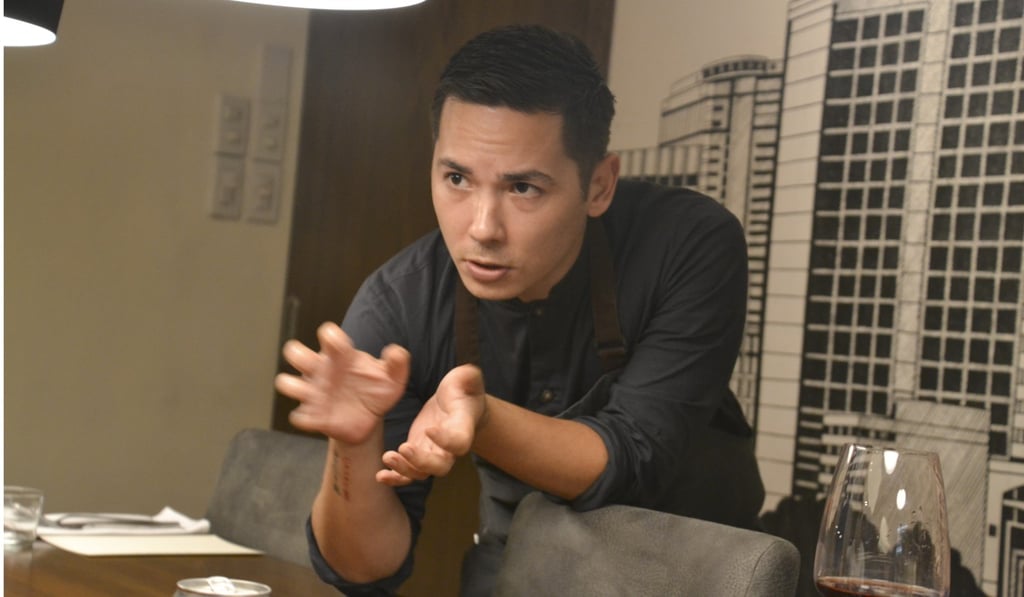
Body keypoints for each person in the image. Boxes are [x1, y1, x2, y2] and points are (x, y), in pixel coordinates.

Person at [274, 24, 764, 597]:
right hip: (517, 577)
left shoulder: (689, 244)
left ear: (600, 185)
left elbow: (635, 452)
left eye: (523, 188)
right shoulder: (401, 301)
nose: (481, 228)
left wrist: (482, 418)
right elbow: (365, 569)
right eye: (456, 178)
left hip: (692, 580)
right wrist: (353, 445)